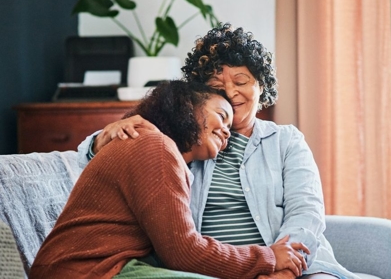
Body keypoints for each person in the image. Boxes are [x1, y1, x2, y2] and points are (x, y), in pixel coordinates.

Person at [78, 24, 360, 279]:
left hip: (296, 266)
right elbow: (107, 155)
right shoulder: (182, 136)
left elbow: (307, 213)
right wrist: (103, 137)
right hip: (213, 269)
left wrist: (282, 268)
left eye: (241, 81)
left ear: (261, 86)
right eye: (216, 86)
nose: (230, 92)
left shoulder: (286, 140)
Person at [30, 80, 310, 279]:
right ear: (187, 107)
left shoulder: (162, 150)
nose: (226, 132)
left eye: (229, 127)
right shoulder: (155, 147)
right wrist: (268, 257)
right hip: (87, 271)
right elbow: (183, 252)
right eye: (221, 117)